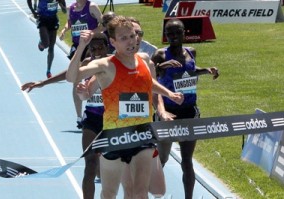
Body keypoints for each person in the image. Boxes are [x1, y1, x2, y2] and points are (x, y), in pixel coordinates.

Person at [66, 16, 184, 199]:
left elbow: (147, 81)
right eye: (124, 38)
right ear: (113, 42)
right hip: (115, 139)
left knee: (140, 192)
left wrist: (169, 94)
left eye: (132, 36)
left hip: (141, 135)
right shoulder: (105, 65)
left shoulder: (144, 59)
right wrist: (81, 46)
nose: (131, 41)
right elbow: (71, 77)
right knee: (109, 193)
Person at [21, 32, 109, 199]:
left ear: (108, 47)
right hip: (92, 119)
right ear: (88, 49)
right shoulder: (87, 63)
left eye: (100, 47)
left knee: (110, 167)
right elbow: (70, 73)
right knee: (90, 164)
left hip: (112, 121)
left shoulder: (113, 63)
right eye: (93, 48)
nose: (96, 51)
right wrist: (42, 83)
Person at [151, 18, 219, 199]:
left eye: (177, 32)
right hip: (168, 113)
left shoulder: (191, 51)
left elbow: (190, 70)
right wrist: (160, 67)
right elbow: (148, 78)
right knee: (162, 159)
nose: (173, 36)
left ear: (184, 33)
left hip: (189, 111)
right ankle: (153, 194)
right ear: (165, 35)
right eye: (169, 33)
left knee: (187, 161)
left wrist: (206, 70)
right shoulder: (160, 54)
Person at [58, 0, 103, 128]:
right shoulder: (71, 8)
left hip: (92, 48)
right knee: (76, 81)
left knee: (96, 79)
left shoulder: (92, 7)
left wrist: (92, 32)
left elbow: (103, 25)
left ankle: (99, 110)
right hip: (77, 48)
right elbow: (70, 22)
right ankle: (79, 116)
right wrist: (65, 29)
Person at [27, 0, 67, 79]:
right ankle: (42, 42)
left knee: (51, 48)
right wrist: (33, 11)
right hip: (42, 19)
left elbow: (64, 11)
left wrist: (61, 4)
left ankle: (48, 70)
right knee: (46, 44)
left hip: (53, 20)